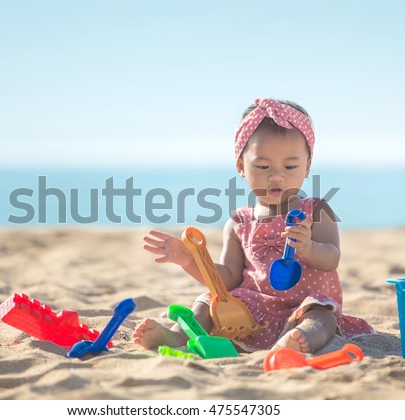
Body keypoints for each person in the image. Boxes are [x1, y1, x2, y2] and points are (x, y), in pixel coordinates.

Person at [133, 98, 374, 353]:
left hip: (304, 306)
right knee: (207, 303)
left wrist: (308, 247)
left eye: (290, 166)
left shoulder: (315, 210)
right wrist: (191, 260)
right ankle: (176, 338)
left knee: (321, 318)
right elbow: (227, 279)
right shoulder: (240, 222)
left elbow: (332, 258)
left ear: (307, 167)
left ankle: (296, 342)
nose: (277, 175)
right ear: (241, 166)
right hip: (249, 314)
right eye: (263, 166)